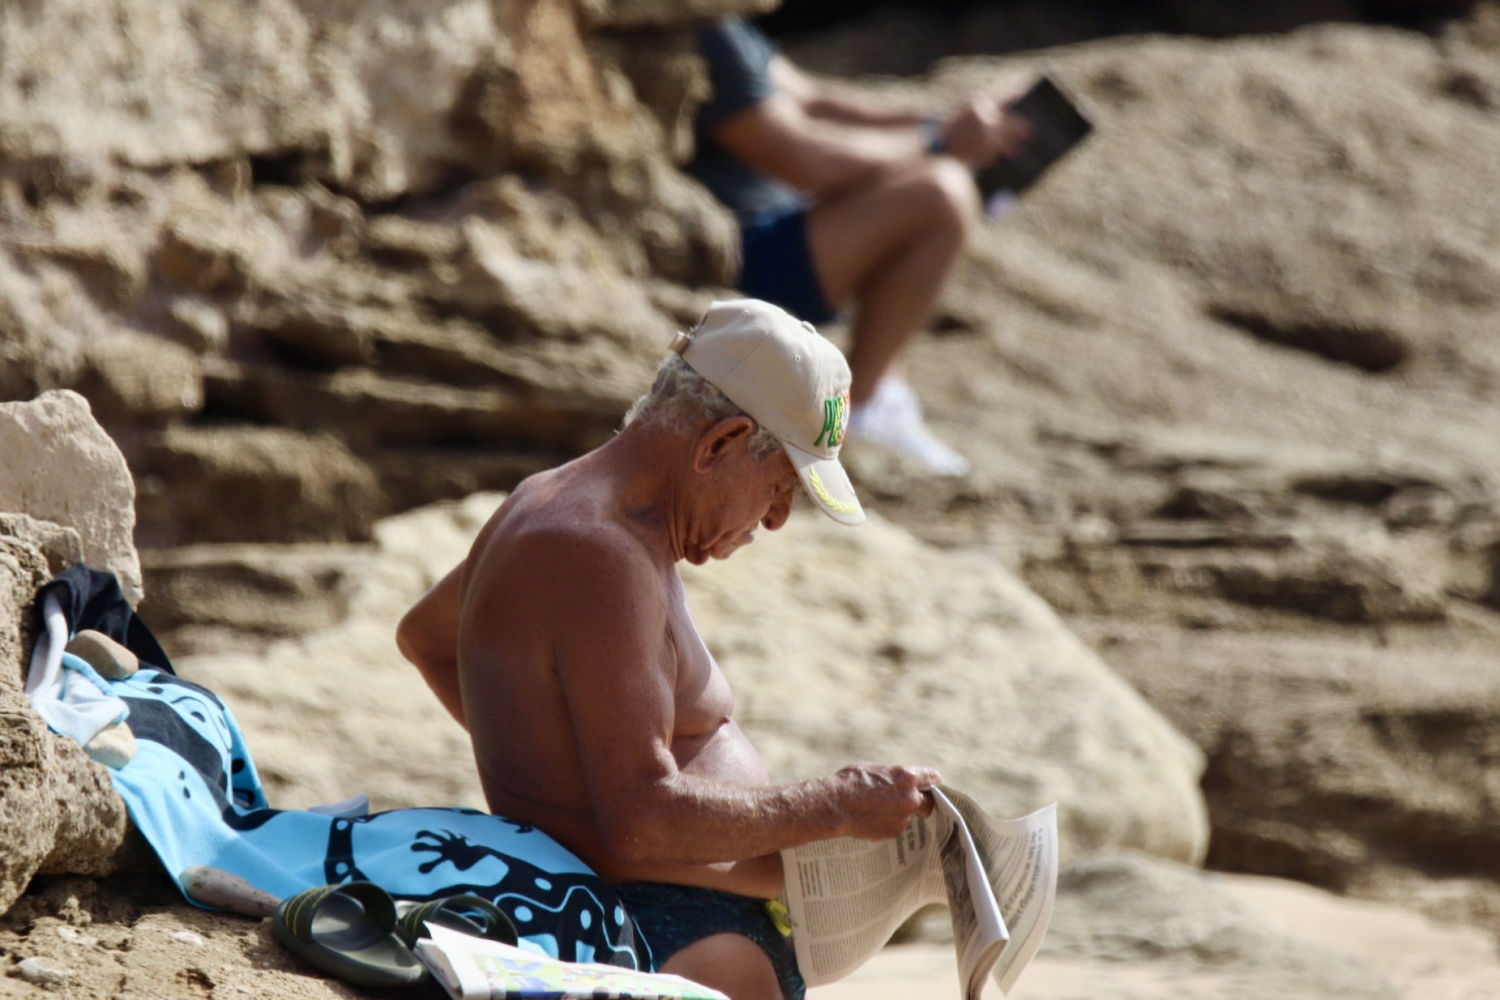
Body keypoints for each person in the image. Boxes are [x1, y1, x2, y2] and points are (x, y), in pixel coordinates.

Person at [395, 298, 943, 1000]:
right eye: (780, 486)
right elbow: (640, 817)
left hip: (674, 908)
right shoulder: (597, 552)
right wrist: (835, 805)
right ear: (719, 443)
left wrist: (550, 762)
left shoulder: (558, 503)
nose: (776, 519)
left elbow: (428, 637)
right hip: (661, 921)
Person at [685, 16, 1035, 477]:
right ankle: (862, 410)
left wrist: (945, 124)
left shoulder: (723, 22)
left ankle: (880, 395)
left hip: (779, 227)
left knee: (930, 182)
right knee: (939, 192)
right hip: (733, 254)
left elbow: (813, 101)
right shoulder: (699, 27)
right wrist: (939, 143)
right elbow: (806, 158)